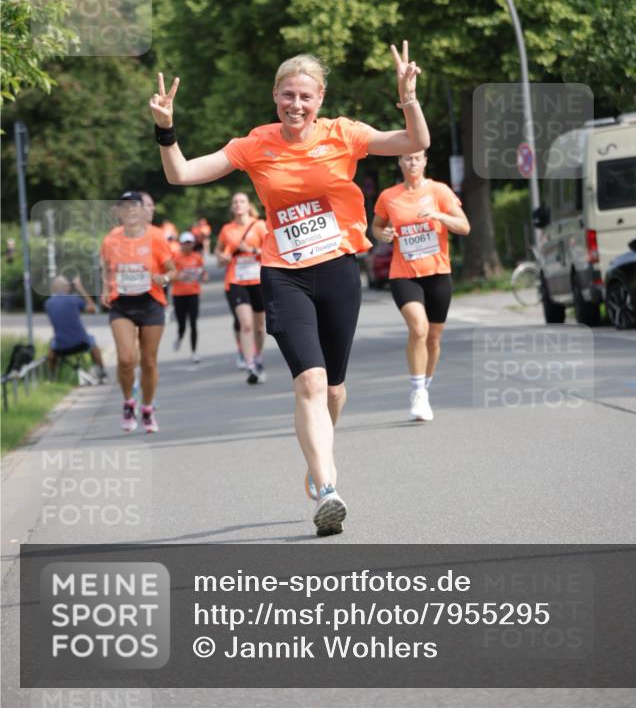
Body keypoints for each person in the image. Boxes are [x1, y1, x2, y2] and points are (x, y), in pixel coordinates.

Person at [150, 41, 429, 536]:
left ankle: (318, 456)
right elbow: (182, 173)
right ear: (274, 96)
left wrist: (408, 96)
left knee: (335, 391)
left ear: (320, 98)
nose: (295, 105)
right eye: (286, 95)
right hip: (285, 273)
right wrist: (166, 128)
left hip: (339, 269)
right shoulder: (255, 145)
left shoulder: (345, 133)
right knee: (311, 382)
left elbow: (411, 142)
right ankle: (327, 489)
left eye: (305, 96)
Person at [372, 150, 470, 422]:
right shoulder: (388, 196)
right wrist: (384, 234)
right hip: (403, 274)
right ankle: (417, 392)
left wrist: (439, 215)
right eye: (407, 158)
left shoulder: (440, 191)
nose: (412, 162)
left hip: (438, 273)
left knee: (434, 338)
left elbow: (464, 226)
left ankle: (424, 388)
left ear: (425, 161)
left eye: (417, 157)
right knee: (419, 328)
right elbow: (377, 227)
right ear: (400, 162)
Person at [100, 191, 176, 433]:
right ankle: (128, 402)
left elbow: (173, 270)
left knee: (149, 362)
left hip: (151, 303)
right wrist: (104, 288)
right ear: (119, 212)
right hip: (121, 304)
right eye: (125, 207)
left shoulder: (156, 237)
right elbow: (105, 268)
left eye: (135, 206)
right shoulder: (111, 240)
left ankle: (148, 407)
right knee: (125, 360)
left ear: (143, 210)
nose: (131, 211)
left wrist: (163, 278)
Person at [216, 193, 268, 384]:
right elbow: (218, 252)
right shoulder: (226, 229)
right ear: (232, 207)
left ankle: (258, 354)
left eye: (242, 202)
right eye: (235, 202)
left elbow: (271, 250)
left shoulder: (259, 225)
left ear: (248, 206)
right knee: (246, 323)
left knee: (260, 327)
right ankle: (250, 364)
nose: (238, 205)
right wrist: (222, 258)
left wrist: (252, 250)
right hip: (235, 280)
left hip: (258, 280)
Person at [45, 275, 107, 382]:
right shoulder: (74, 299)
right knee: (93, 343)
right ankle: (102, 372)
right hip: (81, 343)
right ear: (66, 288)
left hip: (60, 346)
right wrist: (80, 287)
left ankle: (52, 376)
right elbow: (93, 309)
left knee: (52, 345)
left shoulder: (48, 303)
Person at [172, 231, 208, 363]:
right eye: (185, 243)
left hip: (193, 293)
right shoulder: (175, 258)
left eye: (190, 243)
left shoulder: (197, 257)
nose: (187, 246)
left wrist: (204, 277)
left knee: (193, 323)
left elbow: (203, 273)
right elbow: (169, 276)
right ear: (180, 244)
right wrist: (177, 276)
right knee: (182, 324)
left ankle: (194, 352)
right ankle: (180, 336)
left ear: (193, 244)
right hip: (178, 295)